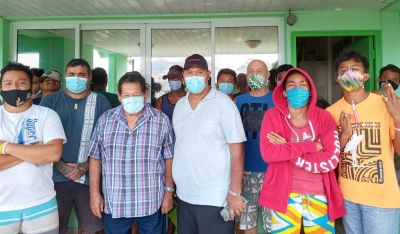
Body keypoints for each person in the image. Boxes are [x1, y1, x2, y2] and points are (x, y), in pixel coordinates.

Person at [259, 67, 345, 233]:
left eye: (302, 85)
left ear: (310, 90)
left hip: (319, 194)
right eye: (291, 85)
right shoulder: (272, 116)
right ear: (283, 92)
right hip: (283, 195)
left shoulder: (324, 117)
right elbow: (268, 153)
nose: (297, 89)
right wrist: (311, 146)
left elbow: (331, 160)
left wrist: (287, 150)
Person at [88, 73, 174, 234]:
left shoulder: (161, 120)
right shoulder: (105, 120)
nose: (131, 98)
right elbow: (95, 158)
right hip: (115, 201)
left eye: (136, 95)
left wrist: (168, 192)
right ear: (119, 96)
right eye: (126, 95)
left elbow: (169, 158)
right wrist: (94, 193)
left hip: (151, 201)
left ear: (145, 94)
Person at [326, 50, 400, 234]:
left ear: (365, 76)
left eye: (355, 69)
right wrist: (343, 136)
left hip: (382, 199)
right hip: (348, 198)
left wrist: (397, 119)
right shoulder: (330, 113)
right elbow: (329, 157)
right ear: (337, 78)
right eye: (344, 69)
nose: (349, 73)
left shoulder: (387, 104)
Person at [172, 54, 246, 234]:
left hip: (214, 197)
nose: (194, 77)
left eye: (199, 72)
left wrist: (235, 193)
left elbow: (237, 150)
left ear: (208, 74)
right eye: (190, 73)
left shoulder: (224, 104)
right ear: (183, 76)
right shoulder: (180, 105)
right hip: (184, 195)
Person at [40, 58, 111, 234]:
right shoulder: (50, 102)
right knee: (54, 228)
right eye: (72, 75)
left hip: (89, 179)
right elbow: (39, 140)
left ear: (89, 77)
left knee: (91, 228)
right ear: (65, 76)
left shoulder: (101, 102)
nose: (76, 78)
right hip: (54, 178)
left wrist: (85, 167)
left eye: (81, 75)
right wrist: (63, 167)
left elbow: (108, 142)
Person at [0, 62, 66, 233]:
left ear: (33, 86)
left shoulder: (47, 115)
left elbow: (53, 153)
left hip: (41, 202)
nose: (14, 87)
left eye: (21, 82)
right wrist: (34, 151)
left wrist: (4, 146)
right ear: (1, 87)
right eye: (8, 83)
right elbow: (45, 153)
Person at [235, 59, 274, 234]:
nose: (255, 75)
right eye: (251, 71)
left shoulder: (278, 100)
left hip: (273, 171)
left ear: (267, 75)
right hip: (245, 171)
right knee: (248, 222)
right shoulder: (238, 101)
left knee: (273, 222)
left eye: (259, 71)